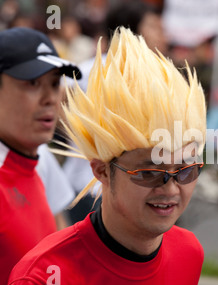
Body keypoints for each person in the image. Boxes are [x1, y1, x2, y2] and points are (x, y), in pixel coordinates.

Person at [3, 26, 206, 285]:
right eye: (147, 172)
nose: (170, 188)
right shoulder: (41, 280)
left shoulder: (189, 254)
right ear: (101, 170)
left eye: (186, 170)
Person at [62, 0, 168, 224]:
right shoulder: (91, 72)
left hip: (133, 191)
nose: (162, 34)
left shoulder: (158, 77)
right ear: (130, 31)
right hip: (92, 190)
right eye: (153, 26)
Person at [0, 26, 81, 285]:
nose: (50, 99)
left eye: (55, 83)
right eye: (32, 83)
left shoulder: (41, 157)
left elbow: (62, 240)